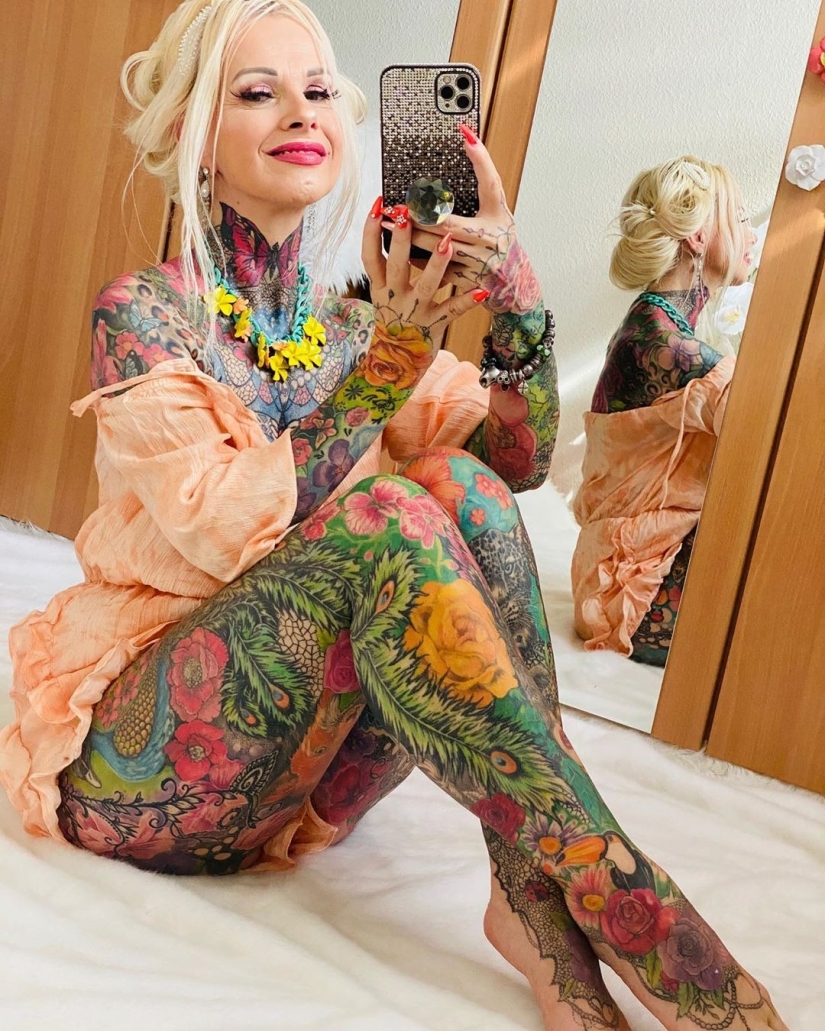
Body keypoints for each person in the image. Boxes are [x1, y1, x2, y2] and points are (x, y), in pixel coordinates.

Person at [0, 5, 784, 1029]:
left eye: (320, 89)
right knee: (384, 514)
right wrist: (394, 357)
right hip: (147, 776)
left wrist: (518, 299)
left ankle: (530, 899)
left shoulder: (353, 322)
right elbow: (228, 533)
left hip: (303, 785)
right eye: (258, 91)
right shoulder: (146, 312)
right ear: (195, 133)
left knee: (460, 489)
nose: (301, 111)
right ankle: (640, 911)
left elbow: (516, 464)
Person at [572, 157, 757, 667]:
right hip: (633, 590)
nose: (751, 235)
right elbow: (768, 429)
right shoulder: (665, 346)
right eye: (741, 218)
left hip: (617, 570)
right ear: (698, 236)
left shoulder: (654, 322)